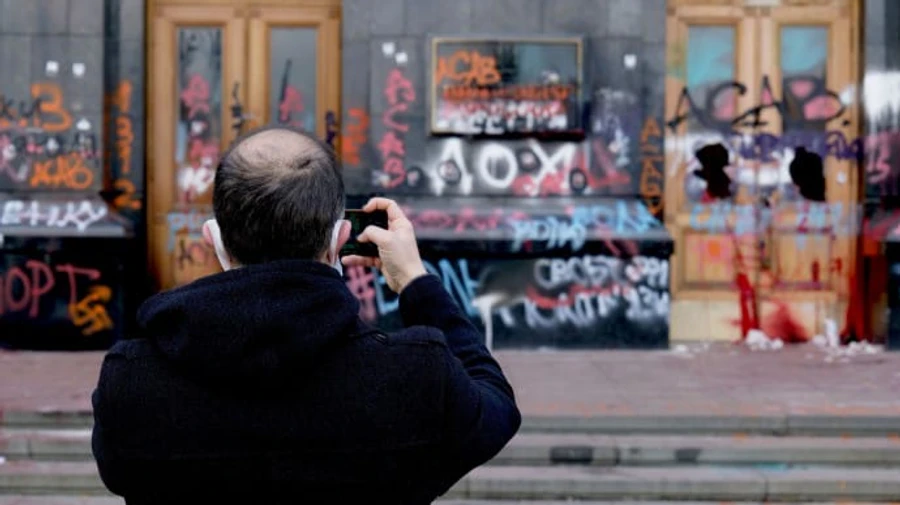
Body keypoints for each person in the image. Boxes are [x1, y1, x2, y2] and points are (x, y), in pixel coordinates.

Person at [91, 125, 521, 504]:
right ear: (340, 239)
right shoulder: (415, 376)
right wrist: (415, 281)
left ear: (214, 239)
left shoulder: (130, 383)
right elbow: (495, 404)